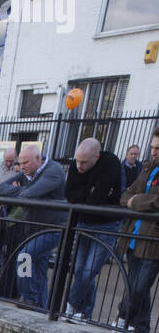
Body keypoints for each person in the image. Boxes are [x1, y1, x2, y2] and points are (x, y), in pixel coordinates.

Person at [0, 143, 68, 309]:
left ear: (38, 159)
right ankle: (41, 308)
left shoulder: (53, 171)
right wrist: (28, 191)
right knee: (39, 269)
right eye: (20, 163)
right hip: (34, 227)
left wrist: (26, 191)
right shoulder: (28, 174)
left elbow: (28, 194)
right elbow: (0, 188)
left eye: (25, 163)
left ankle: (29, 298)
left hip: (52, 228)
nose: (21, 167)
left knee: (24, 257)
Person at [63, 137, 122, 322]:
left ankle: (70, 305)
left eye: (84, 162)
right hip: (83, 222)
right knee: (81, 269)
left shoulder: (110, 162)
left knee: (89, 270)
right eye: (77, 161)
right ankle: (84, 312)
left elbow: (98, 196)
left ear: (96, 157)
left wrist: (86, 193)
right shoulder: (77, 164)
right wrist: (88, 192)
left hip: (106, 225)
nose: (79, 166)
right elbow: (68, 194)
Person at [115, 128, 159, 333]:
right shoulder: (147, 168)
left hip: (152, 239)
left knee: (140, 286)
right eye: (152, 147)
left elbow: (155, 200)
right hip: (134, 235)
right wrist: (138, 201)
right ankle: (140, 327)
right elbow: (126, 195)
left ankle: (124, 318)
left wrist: (137, 201)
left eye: (158, 148)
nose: (154, 152)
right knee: (135, 284)